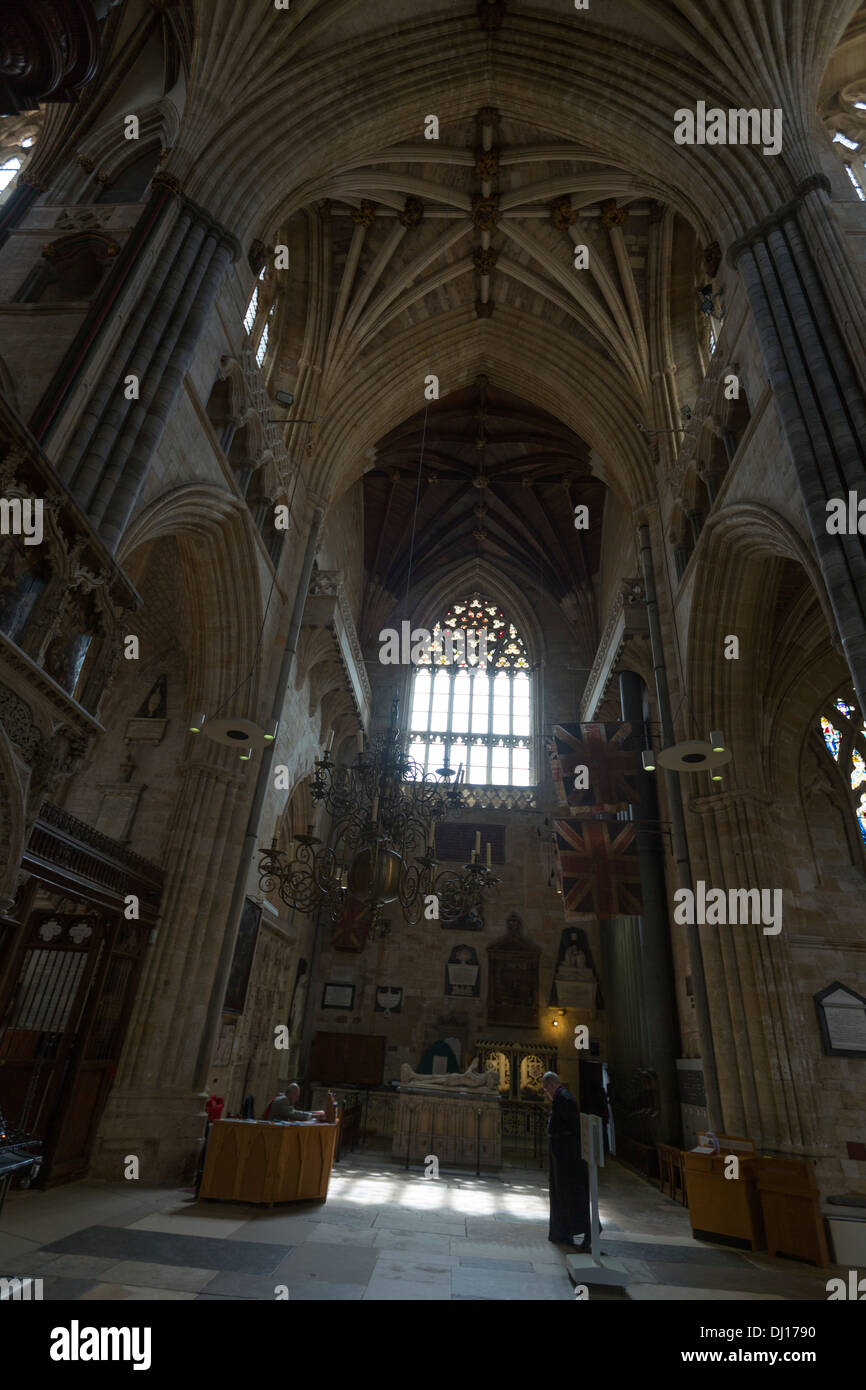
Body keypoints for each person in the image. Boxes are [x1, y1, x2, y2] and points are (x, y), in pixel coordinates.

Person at [542, 1070, 593, 1250]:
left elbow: (571, 1128)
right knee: (563, 1196)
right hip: (562, 1156)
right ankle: (563, 1233)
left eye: (546, 1089)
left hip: (568, 1158)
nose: (546, 1093)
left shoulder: (565, 1099)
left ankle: (587, 1232)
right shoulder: (561, 1098)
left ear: (552, 1084)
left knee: (573, 1196)